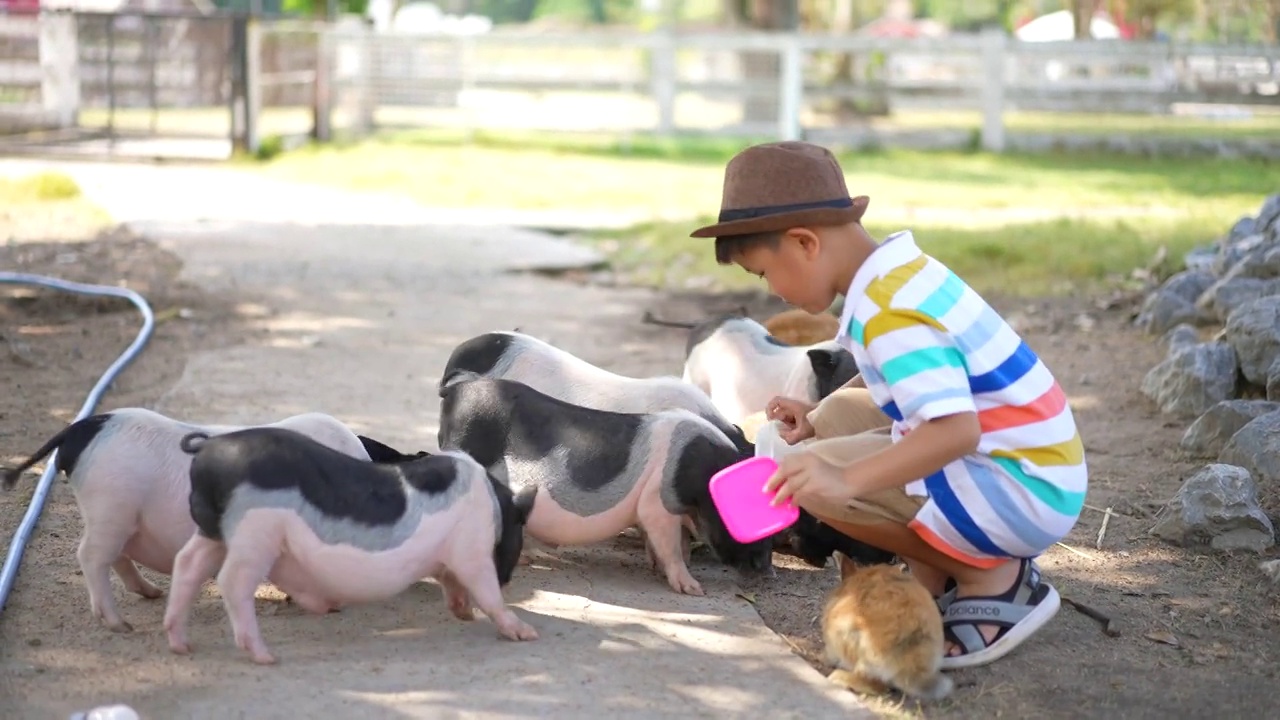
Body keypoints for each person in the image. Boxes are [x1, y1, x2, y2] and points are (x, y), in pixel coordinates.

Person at [689, 141, 1087, 670]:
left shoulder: (888, 316)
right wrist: (815, 419)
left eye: (766, 274)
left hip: (1022, 487)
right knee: (827, 427)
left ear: (805, 243)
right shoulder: (897, 274)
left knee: (814, 483)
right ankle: (939, 567)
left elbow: (955, 431)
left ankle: (992, 579)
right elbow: (915, 391)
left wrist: (849, 482)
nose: (775, 292)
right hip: (1033, 461)